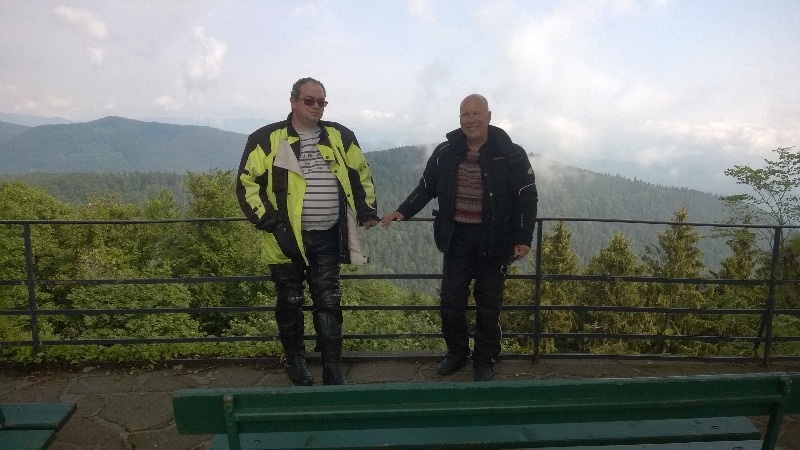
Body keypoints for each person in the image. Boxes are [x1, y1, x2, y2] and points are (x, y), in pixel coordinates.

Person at [381, 94, 537, 381]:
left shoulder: (510, 152)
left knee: (489, 304)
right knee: (451, 301)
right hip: (456, 236)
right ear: (460, 118)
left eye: (477, 113)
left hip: (496, 238)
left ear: (489, 116)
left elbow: (526, 196)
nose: (471, 119)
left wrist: (524, 237)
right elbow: (426, 187)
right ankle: (457, 353)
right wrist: (403, 211)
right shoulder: (446, 151)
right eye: (465, 114)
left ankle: (485, 359)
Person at [237, 77, 379, 385]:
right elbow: (247, 184)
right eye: (309, 100)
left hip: (328, 234)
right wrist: (271, 223)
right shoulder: (266, 138)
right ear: (293, 101)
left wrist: (367, 209)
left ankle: (332, 366)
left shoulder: (340, 135)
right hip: (284, 239)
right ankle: (296, 362)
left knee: (329, 300)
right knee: (290, 301)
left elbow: (360, 174)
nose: (316, 106)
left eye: (321, 101)